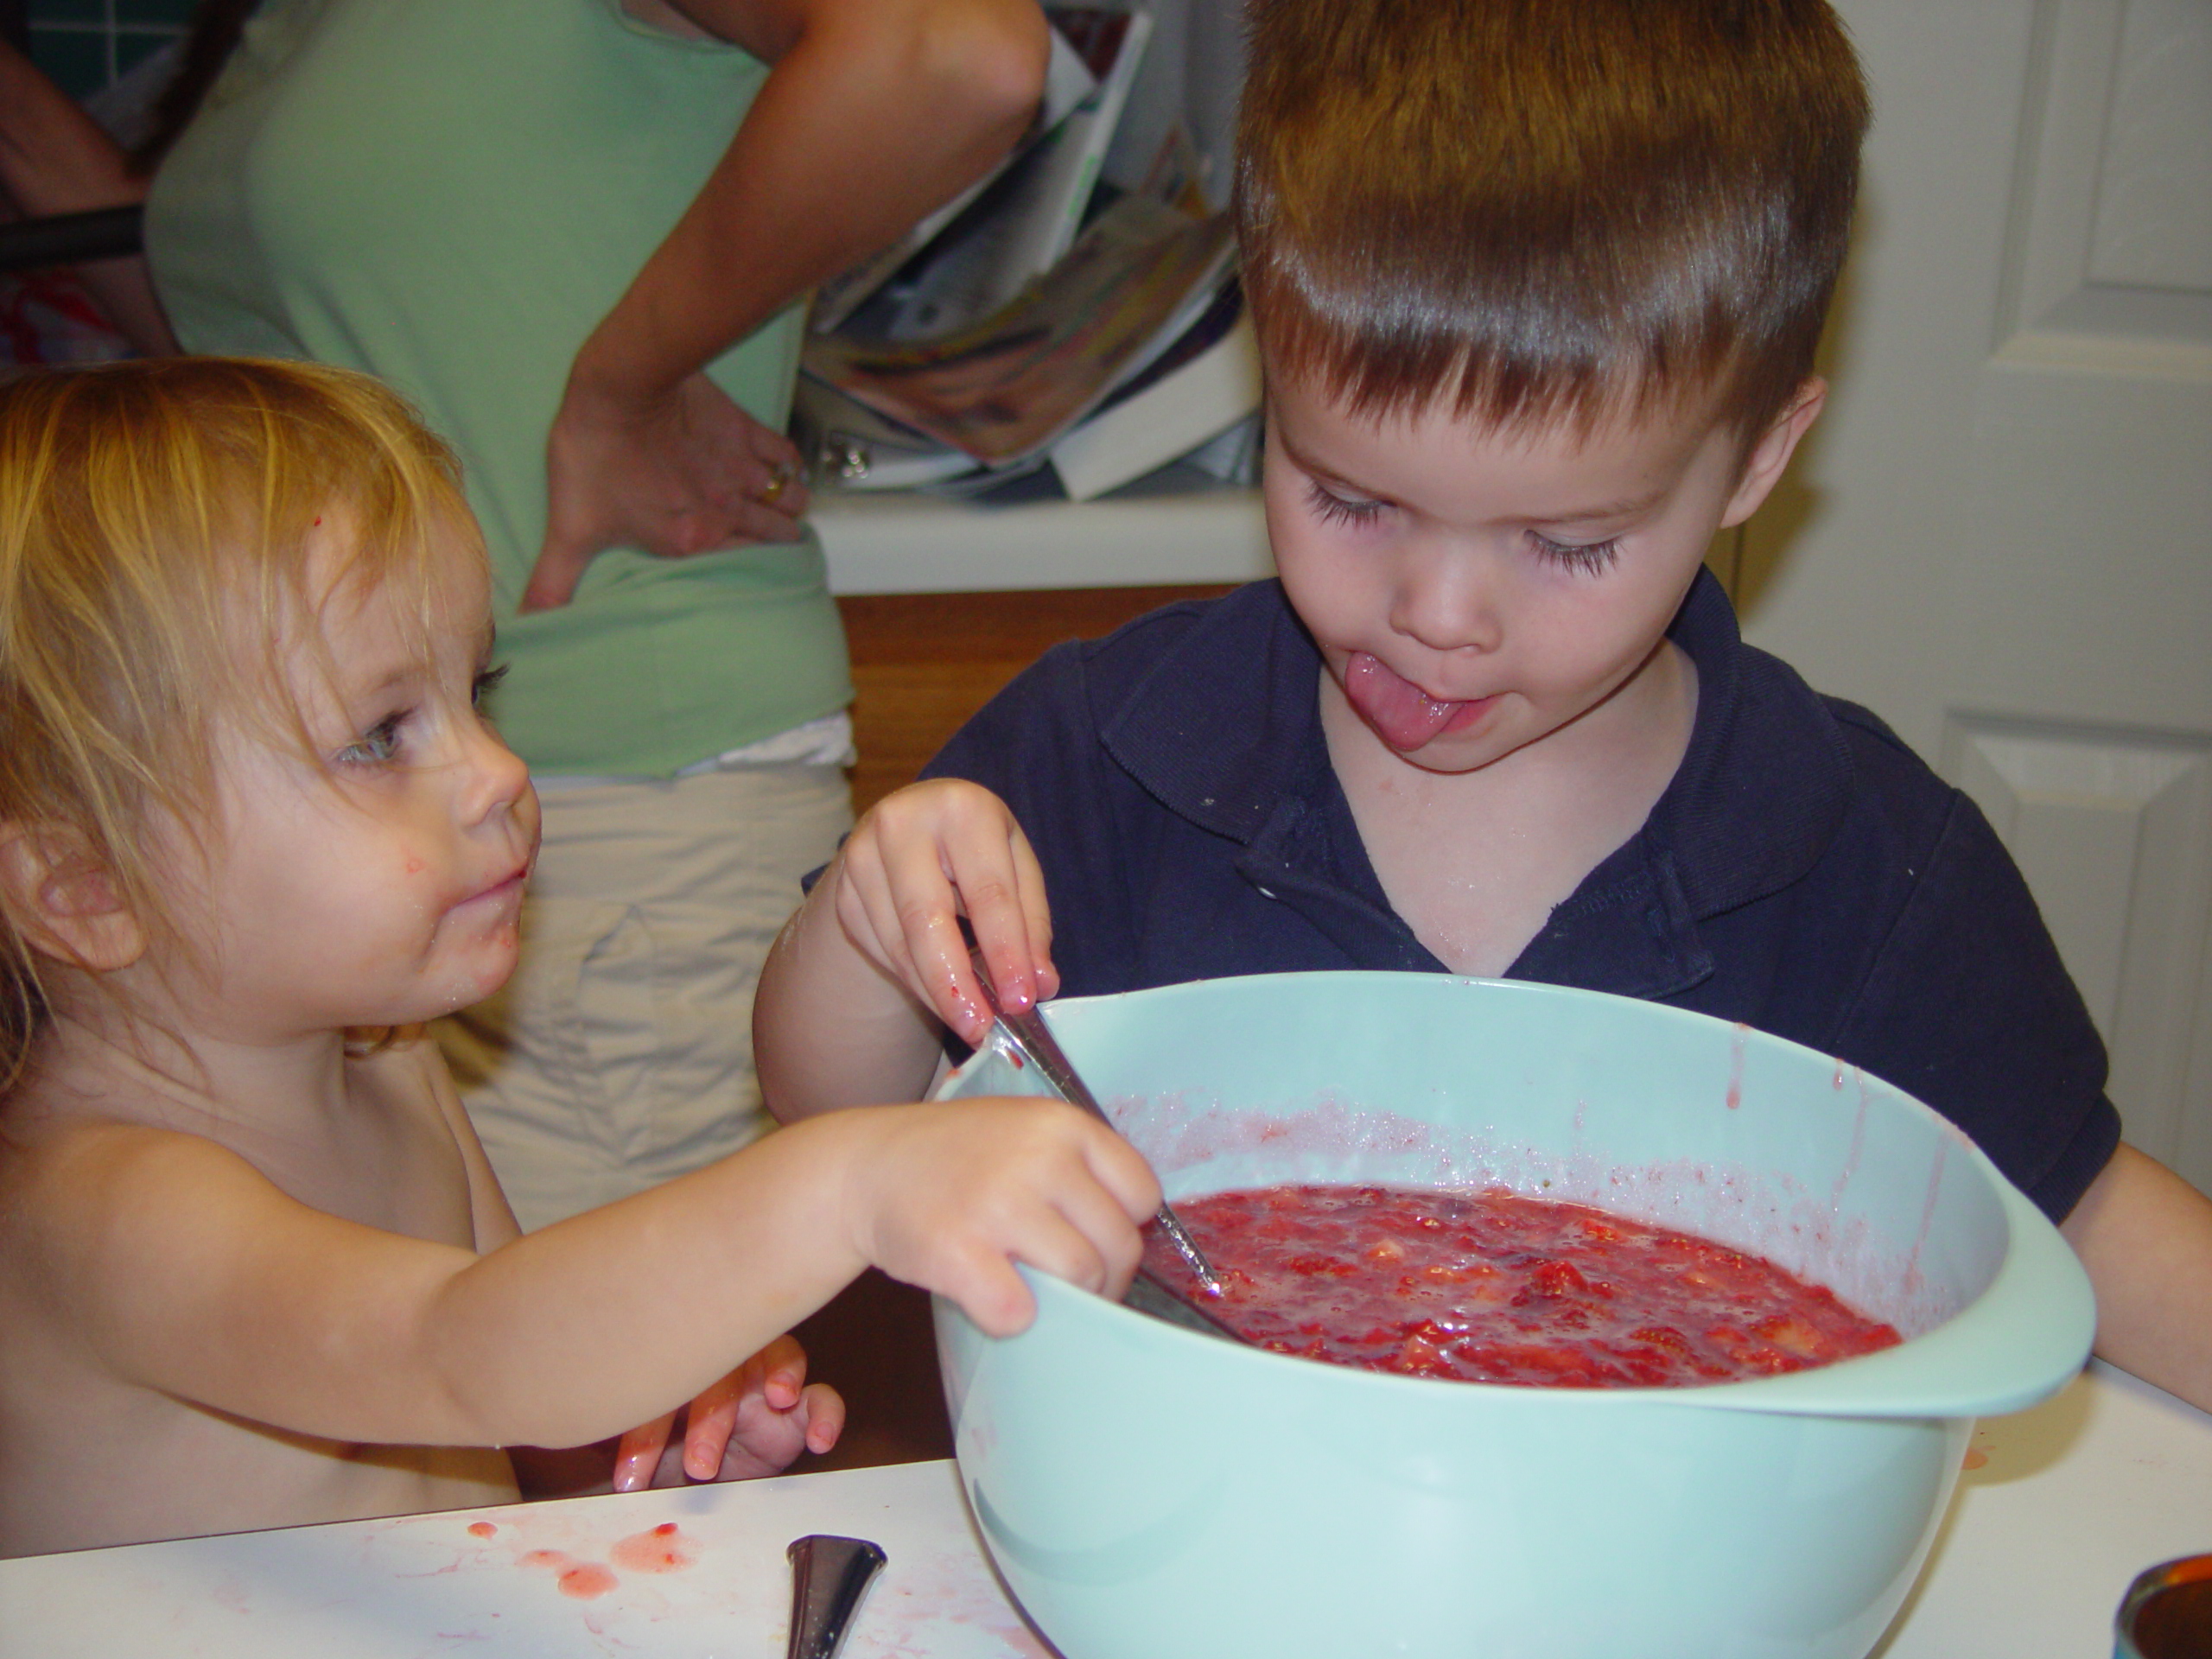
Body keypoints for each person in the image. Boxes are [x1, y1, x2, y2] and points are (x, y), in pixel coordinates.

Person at [751, 0, 2212, 1414]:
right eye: (1349, 496)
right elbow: (835, 1120)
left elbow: (2083, 1231)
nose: (1440, 620)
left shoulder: (1867, 867)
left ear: (1759, 458)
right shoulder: (1103, 758)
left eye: (1569, 543)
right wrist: (873, 922)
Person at [0, 358, 1156, 1559]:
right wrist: (850, 1180)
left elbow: (512, 1402)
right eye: (379, 737)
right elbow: (453, 1354)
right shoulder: (107, 1210)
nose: (499, 772)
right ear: (84, 888)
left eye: (476, 692)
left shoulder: (390, 1061)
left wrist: (641, 1432)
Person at [2, 0, 1055, 1230]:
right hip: (343, 886)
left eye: (476, 694)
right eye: (400, 720)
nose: (496, 767)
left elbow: (953, 46)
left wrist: (620, 387)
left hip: (631, 802)